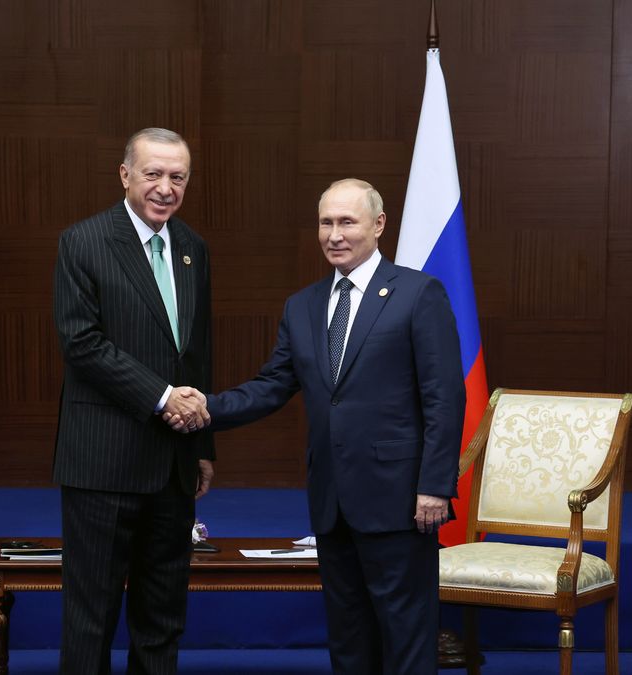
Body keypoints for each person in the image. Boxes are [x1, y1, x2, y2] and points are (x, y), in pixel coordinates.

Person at [168, 178, 464, 674]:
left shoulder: (419, 294)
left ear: (379, 225)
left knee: (406, 634)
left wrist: (434, 487)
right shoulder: (302, 305)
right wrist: (206, 407)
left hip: (401, 500)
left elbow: (444, 397)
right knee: (347, 635)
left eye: (347, 222)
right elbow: (272, 385)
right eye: (326, 222)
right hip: (332, 500)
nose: (334, 234)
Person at [51, 127, 215, 675]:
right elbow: (82, 343)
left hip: (173, 464)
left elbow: (197, 355)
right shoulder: (84, 241)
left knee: (162, 617)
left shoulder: (193, 249)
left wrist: (204, 445)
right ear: (126, 175)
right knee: (91, 617)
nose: (165, 188)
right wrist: (163, 396)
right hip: (103, 463)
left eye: (177, 177)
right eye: (153, 174)